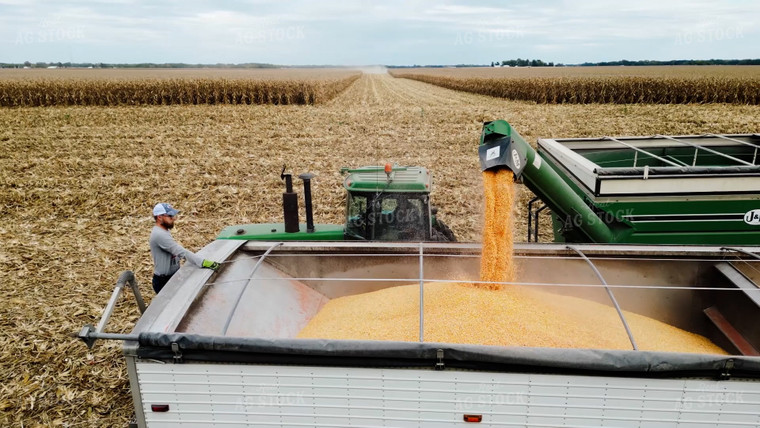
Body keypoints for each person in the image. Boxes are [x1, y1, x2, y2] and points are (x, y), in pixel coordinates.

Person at [150, 202, 220, 293]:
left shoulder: (164, 231)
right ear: (159, 217)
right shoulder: (159, 235)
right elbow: (180, 251)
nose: (173, 218)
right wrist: (202, 262)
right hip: (164, 281)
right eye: (170, 216)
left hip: (173, 276)